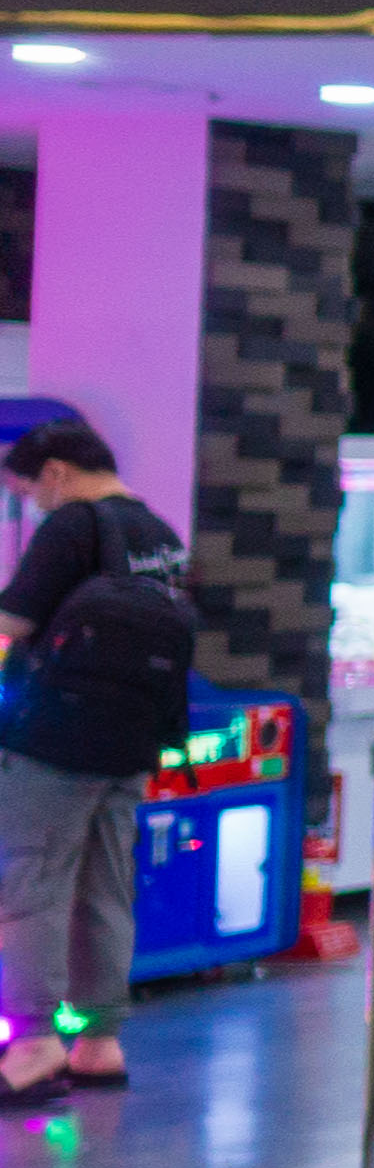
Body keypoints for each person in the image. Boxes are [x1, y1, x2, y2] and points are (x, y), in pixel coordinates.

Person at [0, 419, 194, 1104]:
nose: (32, 504)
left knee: (30, 884)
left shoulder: (73, 525)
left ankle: (33, 1043)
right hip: (133, 742)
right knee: (105, 885)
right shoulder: (160, 534)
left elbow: (13, 624)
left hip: (56, 742)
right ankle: (99, 1042)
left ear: (54, 472)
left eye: (27, 491)